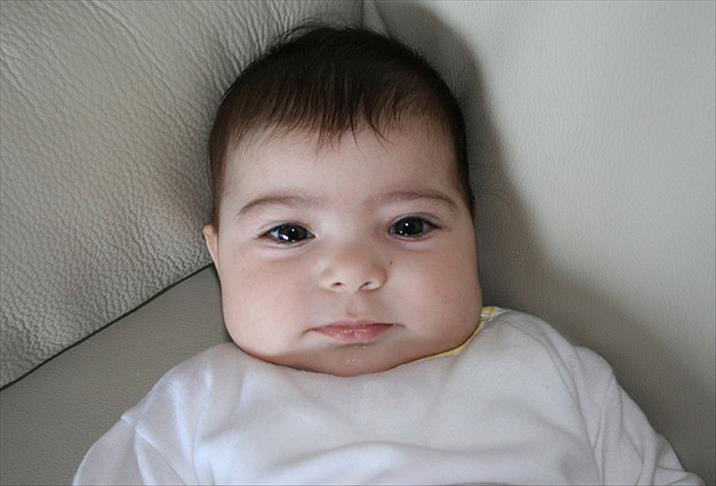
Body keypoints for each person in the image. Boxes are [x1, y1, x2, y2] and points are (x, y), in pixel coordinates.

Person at [73, 24, 703, 485]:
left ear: (472, 233)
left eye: (408, 224)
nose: (354, 273)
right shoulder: (198, 404)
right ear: (218, 254)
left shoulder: (545, 365)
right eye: (289, 233)